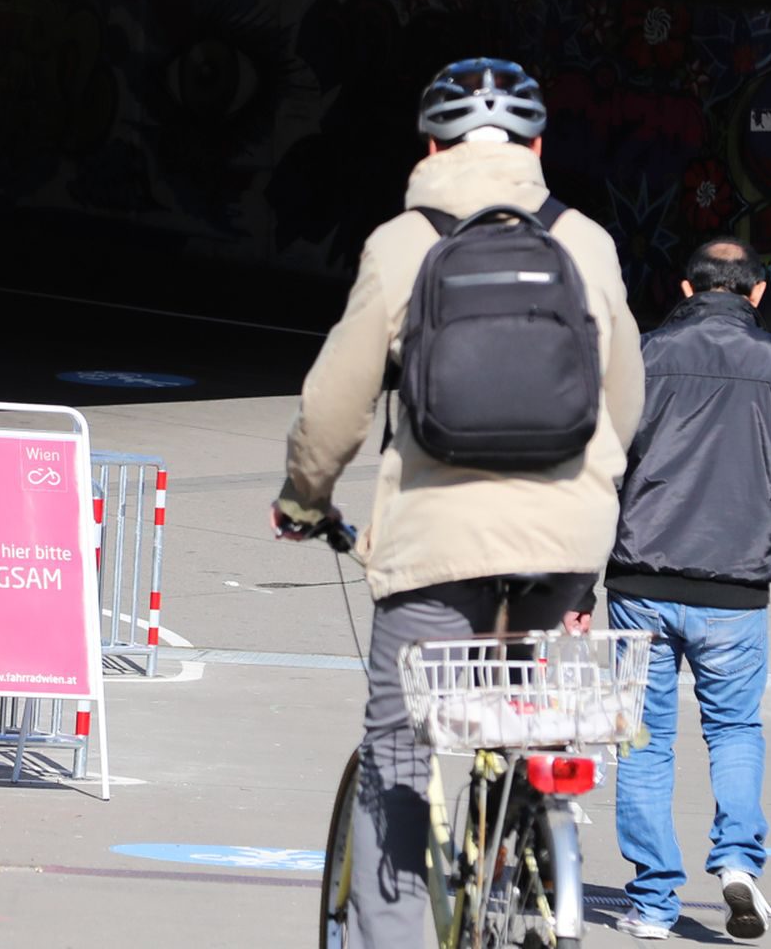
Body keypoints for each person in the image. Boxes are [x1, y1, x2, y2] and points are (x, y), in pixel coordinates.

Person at [271, 57, 644, 948]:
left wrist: (304, 497)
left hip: (438, 546)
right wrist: (593, 498)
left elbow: (337, 400)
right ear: (538, 145)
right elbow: (625, 392)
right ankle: (526, 851)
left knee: (399, 751)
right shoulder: (586, 242)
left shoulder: (404, 243)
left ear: (430, 145)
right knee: (525, 722)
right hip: (565, 545)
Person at [600, 238, 771, 941]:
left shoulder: (642, 358)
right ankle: (737, 861)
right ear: (758, 294)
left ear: (686, 290)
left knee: (643, 741)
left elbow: (599, 467)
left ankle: (653, 904)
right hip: (735, 590)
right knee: (734, 728)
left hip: (640, 579)